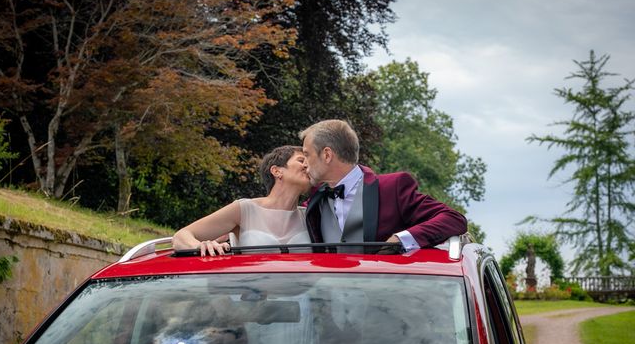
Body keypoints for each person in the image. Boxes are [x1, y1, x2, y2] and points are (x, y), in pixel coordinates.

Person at [299, 119, 467, 250]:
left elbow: (454, 219)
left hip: (383, 293)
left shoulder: (392, 188)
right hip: (328, 293)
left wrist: (401, 239)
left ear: (327, 155)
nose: (304, 163)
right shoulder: (316, 198)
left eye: (307, 154)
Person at [172, 145, 311, 256]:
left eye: (309, 162)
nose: (307, 166)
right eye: (301, 160)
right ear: (276, 171)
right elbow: (181, 236)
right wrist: (199, 246)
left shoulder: (310, 215)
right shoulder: (244, 209)